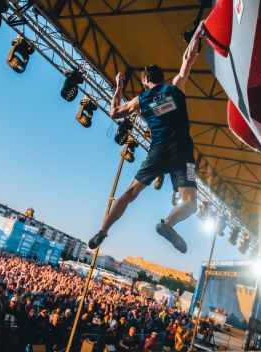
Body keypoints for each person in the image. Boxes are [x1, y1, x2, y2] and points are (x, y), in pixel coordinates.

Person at [88, 19, 206, 253]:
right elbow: (188, 59)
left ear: (144, 81)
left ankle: (102, 231)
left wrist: (119, 88)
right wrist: (198, 33)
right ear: (160, 78)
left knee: (130, 193)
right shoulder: (175, 86)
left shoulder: (140, 100)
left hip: (158, 150)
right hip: (184, 151)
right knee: (191, 204)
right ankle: (166, 225)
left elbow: (114, 113)